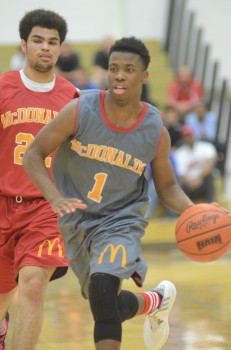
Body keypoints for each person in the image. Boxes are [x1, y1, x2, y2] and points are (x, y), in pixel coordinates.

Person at [23, 36, 194, 350]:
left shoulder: (155, 130)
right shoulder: (79, 110)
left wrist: (195, 213)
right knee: (105, 303)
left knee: (102, 290)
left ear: (144, 76)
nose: (119, 75)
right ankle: (154, 301)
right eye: (114, 68)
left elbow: (167, 187)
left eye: (129, 69)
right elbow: (32, 154)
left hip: (120, 220)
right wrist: (54, 197)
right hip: (75, 219)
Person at [0, 8, 80, 350]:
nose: (45, 47)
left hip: (47, 209)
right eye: (38, 40)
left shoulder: (73, 97)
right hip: (4, 204)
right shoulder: (2, 87)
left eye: (52, 42)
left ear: (60, 48)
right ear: (23, 45)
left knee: (33, 284)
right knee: (4, 295)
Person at [174, 125, 218, 203]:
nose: (188, 138)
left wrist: (198, 178)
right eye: (186, 136)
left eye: (190, 135)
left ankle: (212, 205)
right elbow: (181, 174)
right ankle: (183, 211)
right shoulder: (179, 153)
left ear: (194, 135)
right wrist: (189, 182)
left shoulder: (206, 147)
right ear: (183, 138)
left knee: (210, 176)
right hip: (188, 184)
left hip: (202, 182)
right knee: (178, 183)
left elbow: (211, 161)